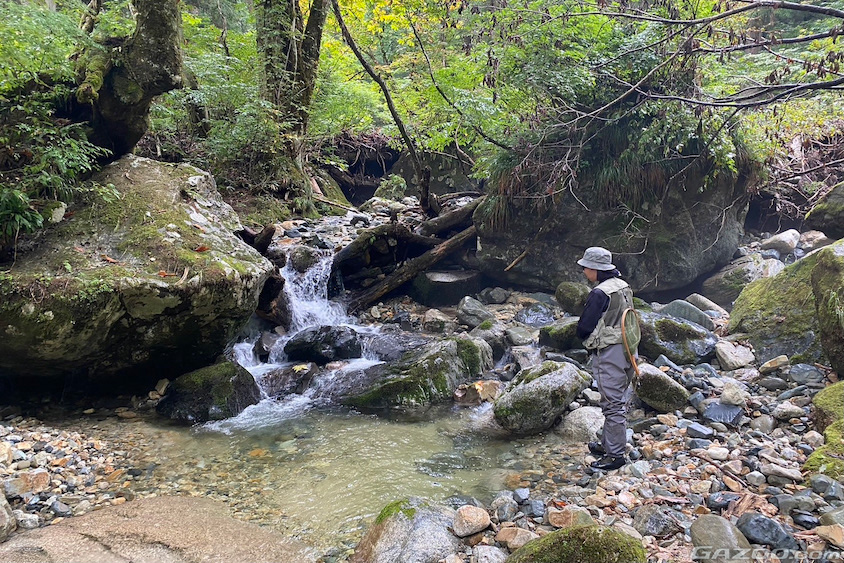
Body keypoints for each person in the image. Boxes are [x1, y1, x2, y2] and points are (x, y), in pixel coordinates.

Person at [575, 246, 636, 471]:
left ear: (595, 269)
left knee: (612, 404)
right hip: (629, 347)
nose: (583, 272)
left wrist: (582, 339)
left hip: (610, 351)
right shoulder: (623, 285)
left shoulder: (600, 293)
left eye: (586, 268)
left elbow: (584, 327)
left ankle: (615, 455)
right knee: (618, 398)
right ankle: (608, 443)